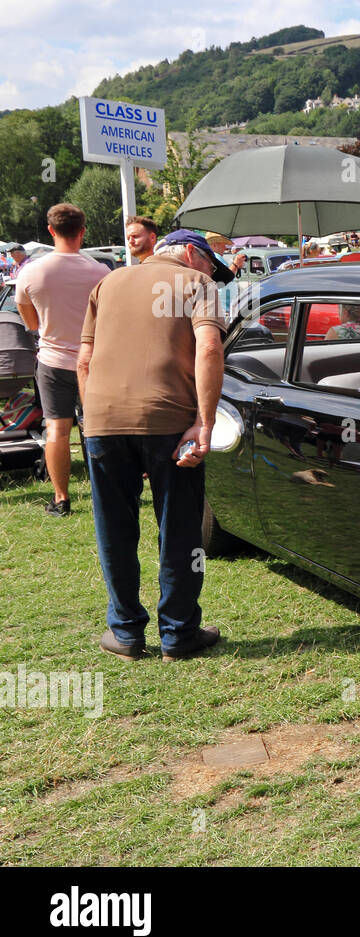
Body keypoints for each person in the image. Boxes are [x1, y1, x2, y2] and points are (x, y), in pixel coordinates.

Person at [76, 229, 233, 662]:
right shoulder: (196, 284)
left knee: (114, 530)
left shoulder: (107, 283)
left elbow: (84, 360)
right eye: (209, 263)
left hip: (103, 421)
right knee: (181, 529)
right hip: (170, 422)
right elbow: (209, 349)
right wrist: (204, 421)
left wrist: (95, 419)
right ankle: (180, 634)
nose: (212, 273)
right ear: (189, 252)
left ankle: (125, 634)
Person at [14, 203, 110, 516]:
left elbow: (31, 323)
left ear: (51, 231)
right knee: (97, 427)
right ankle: (108, 493)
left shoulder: (31, 272)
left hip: (53, 361)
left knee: (56, 428)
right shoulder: (101, 272)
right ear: (82, 232)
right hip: (94, 361)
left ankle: (61, 499)